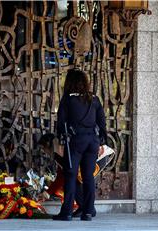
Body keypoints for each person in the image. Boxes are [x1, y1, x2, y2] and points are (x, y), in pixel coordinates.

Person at [52, 69, 107, 221]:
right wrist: (102, 143)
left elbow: (61, 122)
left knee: (70, 175)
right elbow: (102, 123)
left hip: (75, 141)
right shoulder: (94, 99)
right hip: (92, 141)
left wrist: (61, 141)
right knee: (88, 177)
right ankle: (88, 212)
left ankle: (67, 212)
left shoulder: (68, 99)